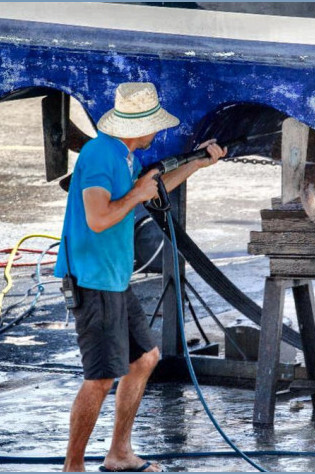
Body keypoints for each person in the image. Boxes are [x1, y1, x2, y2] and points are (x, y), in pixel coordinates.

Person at [54, 82, 227, 472]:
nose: (158, 134)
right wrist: (136, 193)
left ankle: (118, 453)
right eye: (155, 126)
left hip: (114, 279)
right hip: (91, 280)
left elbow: (150, 191)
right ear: (140, 126)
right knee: (99, 379)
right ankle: (72, 466)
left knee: (145, 358)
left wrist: (197, 164)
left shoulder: (125, 154)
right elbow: (99, 218)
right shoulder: (101, 155)